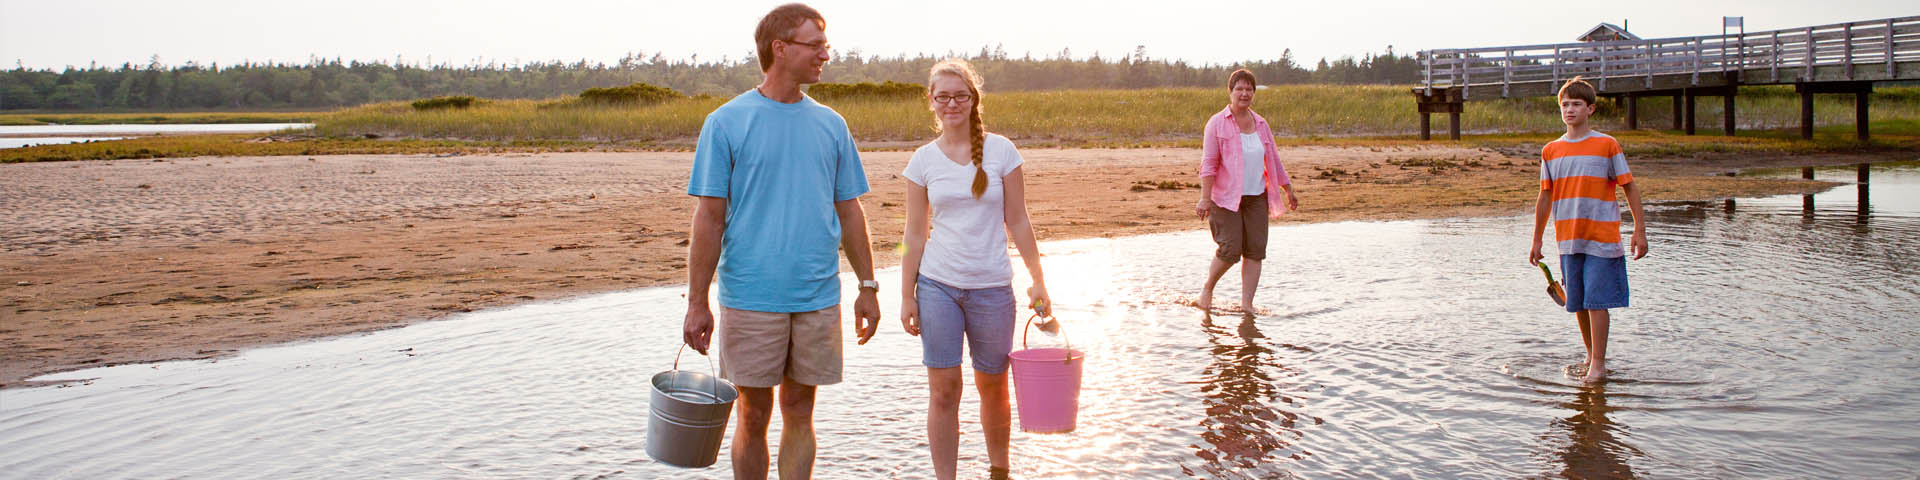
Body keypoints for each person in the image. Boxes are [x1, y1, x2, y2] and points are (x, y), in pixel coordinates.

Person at [681, 4, 881, 479]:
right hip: (751, 295)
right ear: (781, 49)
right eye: (816, 45)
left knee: (800, 409)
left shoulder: (832, 125)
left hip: (816, 295)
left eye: (825, 46)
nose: (825, 55)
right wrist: (696, 302)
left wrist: (868, 285)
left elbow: (850, 211)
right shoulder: (726, 122)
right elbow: (709, 220)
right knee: (752, 413)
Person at [898, 58, 1050, 480]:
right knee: (944, 392)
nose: (951, 103)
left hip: (993, 288)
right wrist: (906, 294)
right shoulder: (922, 161)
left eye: (960, 95)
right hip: (937, 287)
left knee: (994, 388)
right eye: (942, 96)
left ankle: (999, 471)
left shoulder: (1002, 151)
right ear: (931, 101)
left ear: (973, 100)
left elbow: (1018, 219)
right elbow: (913, 234)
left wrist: (1038, 279)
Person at [1528, 76, 1649, 385]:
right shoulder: (1551, 151)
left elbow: (1629, 187)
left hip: (1602, 237)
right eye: (1565, 105)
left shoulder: (1606, 145)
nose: (1569, 110)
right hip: (1568, 238)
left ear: (1590, 109)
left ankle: (1598, 364)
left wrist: (1639, 230)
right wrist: (1537, 238)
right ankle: (1590, 354)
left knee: (1597, 300)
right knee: (1578, 302)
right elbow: (1545, 196)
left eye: (1576, 105)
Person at [1195, 69, 1298, 316]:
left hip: (1257, 198)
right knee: (1230, 250)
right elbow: (1209, 163)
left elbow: (1273, 159)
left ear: (1253, 93)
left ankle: (1247, 304)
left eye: (1249, 89)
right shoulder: (1217, 123)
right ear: (1230, 92)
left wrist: (1288, 188)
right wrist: (1204, 197)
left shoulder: (1261, 124)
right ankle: (1207, 288)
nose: (1244, 93)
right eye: (1239, 89)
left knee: (1255, 250)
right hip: (1226, 199)